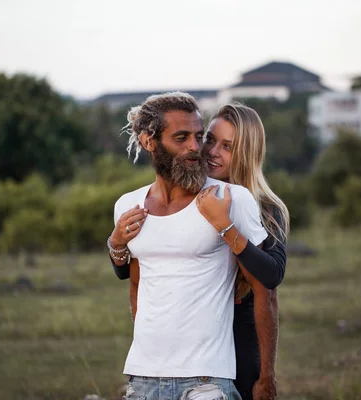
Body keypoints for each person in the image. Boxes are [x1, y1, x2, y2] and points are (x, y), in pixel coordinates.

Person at [110, 99, 288, 400]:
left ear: (244, 154)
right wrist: (115, 244)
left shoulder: (254, 204)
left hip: (234, 343)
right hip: (155, 366)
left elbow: (270, 279)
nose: (205, 150)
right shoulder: (137, 203)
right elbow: (138, 273)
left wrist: (225, 226)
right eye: (209, 140)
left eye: (227, 146)